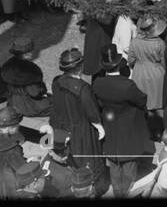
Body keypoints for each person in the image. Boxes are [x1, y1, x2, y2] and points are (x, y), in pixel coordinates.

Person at [92, 44, 152, 197]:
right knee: (129, 165)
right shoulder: (127, 85)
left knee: (114, 164)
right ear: (119, 64)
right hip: (128, 128)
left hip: (110, 127)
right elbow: (142, 100)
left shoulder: (98, 83)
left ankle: (118, 192)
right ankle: (128, 194)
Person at [50, 47, 104, 188]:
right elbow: (92, 112)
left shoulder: (57, 82)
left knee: (70, 156)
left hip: (61, 126)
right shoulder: (83, 88)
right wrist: (99, 127)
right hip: (81, 130)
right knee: (87, 158)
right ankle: (88, 185)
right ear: (80, 67)